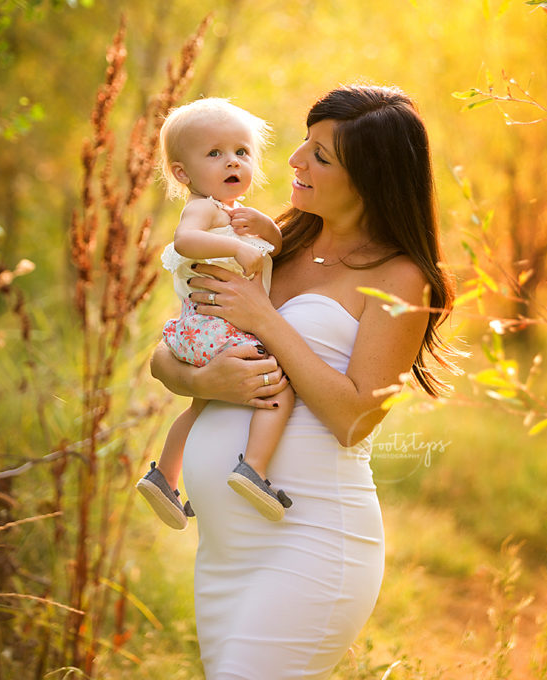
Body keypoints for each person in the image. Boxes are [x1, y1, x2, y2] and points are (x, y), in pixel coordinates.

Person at [150, 84, 455, 680]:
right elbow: (165, 359)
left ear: (372, 175)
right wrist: (210, 378)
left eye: (321, 155)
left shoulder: (400, 278)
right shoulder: (274, 243)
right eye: (304, 143)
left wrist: (264, 319)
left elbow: (355, 418)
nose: (293, 161)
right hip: (225, 552)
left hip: (310, 543)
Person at [136, 97, 294, 530]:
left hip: (203, 331)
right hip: (214, 327)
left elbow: (273, 251)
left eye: (241, 152)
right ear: (183, 173)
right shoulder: (202, 208)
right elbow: (185, 240)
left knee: (199, 407)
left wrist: (266, 229)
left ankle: (164, 477)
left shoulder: (233, 214)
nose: (233, 162)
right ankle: (254, 470)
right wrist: (237, 245)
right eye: (215, 153)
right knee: (277, 390)